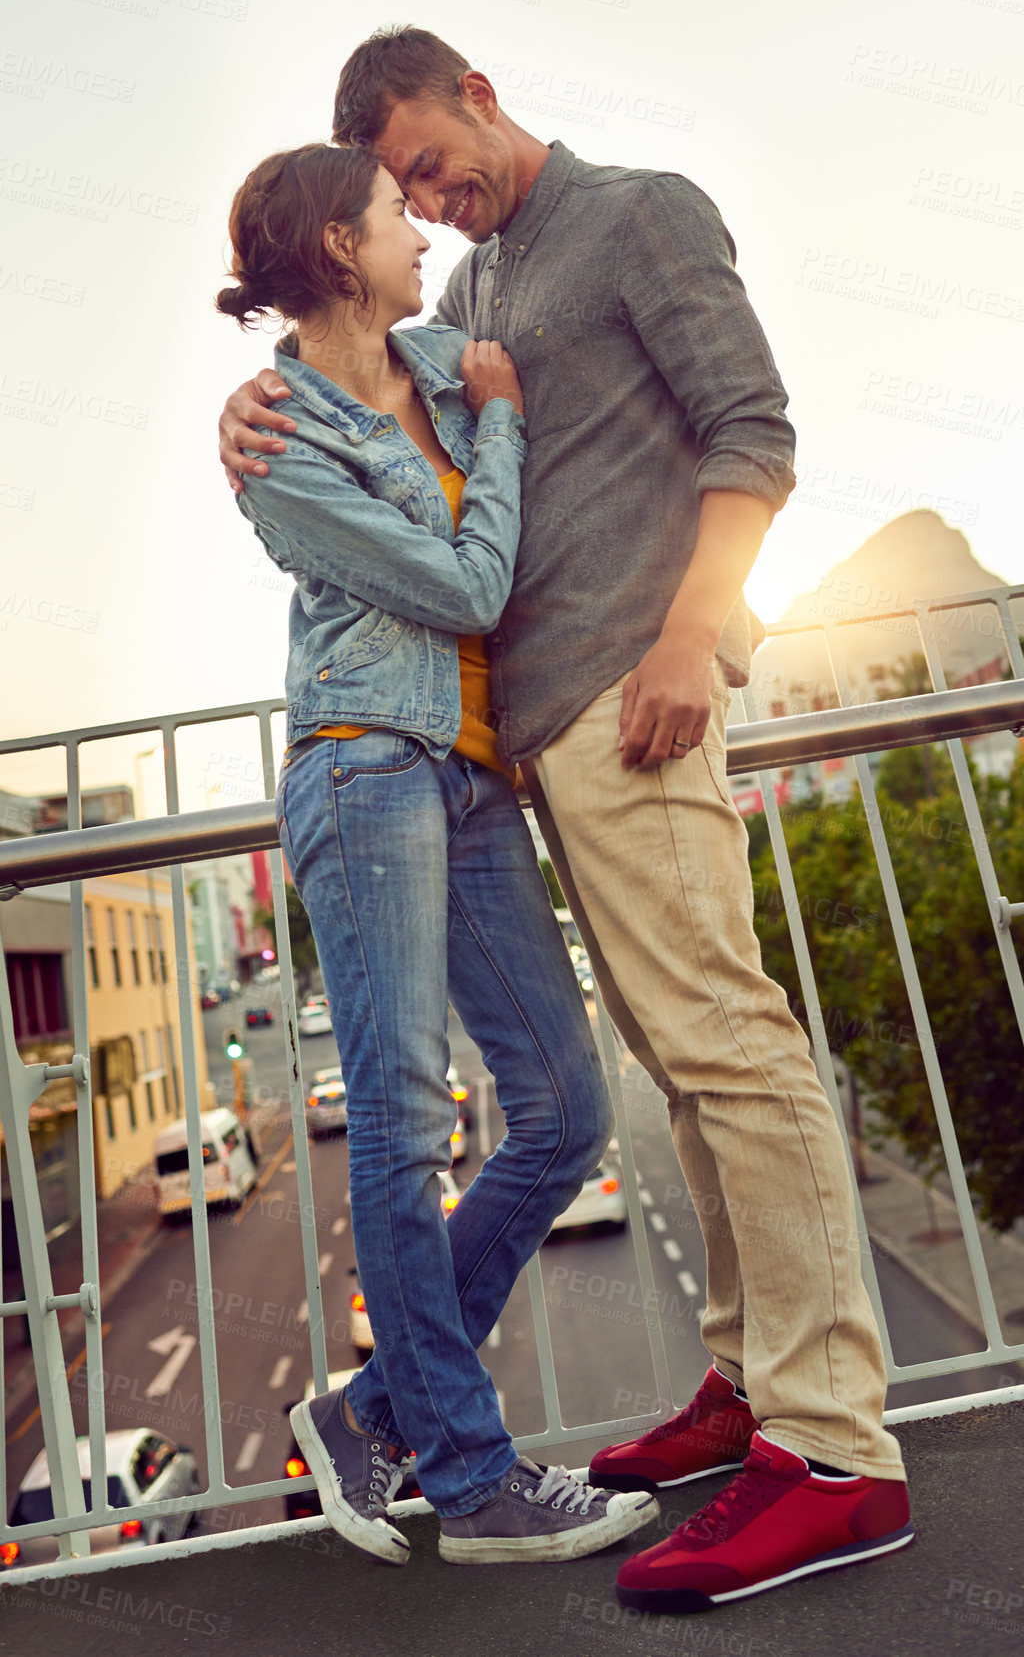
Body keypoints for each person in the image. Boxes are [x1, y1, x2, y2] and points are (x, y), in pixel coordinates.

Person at [218, 30, 913, 1613]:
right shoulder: (462, 300)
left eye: (423, 160)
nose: (424, 197)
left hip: (634, 692)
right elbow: (357, 395)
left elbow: (754, 430)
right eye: (395, 191)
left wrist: (693, 633)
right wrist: (245, 418)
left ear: (473, 86)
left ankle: (832, 1450)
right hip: (523, 750)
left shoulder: (640, 214)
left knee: (726, 1046)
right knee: (681, 1066)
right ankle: (747, 1380)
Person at [215, 140, 657, 1567]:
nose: (422, 230)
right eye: (397, 213)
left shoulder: (450, 347)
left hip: (470, 777)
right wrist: (503, 429)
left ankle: (372, 1413)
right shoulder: (278, 439)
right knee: (404, 1126)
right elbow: (471, 576)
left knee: (563, 1110)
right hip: (365, 767)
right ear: (340, 246)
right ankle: (468, 1479)